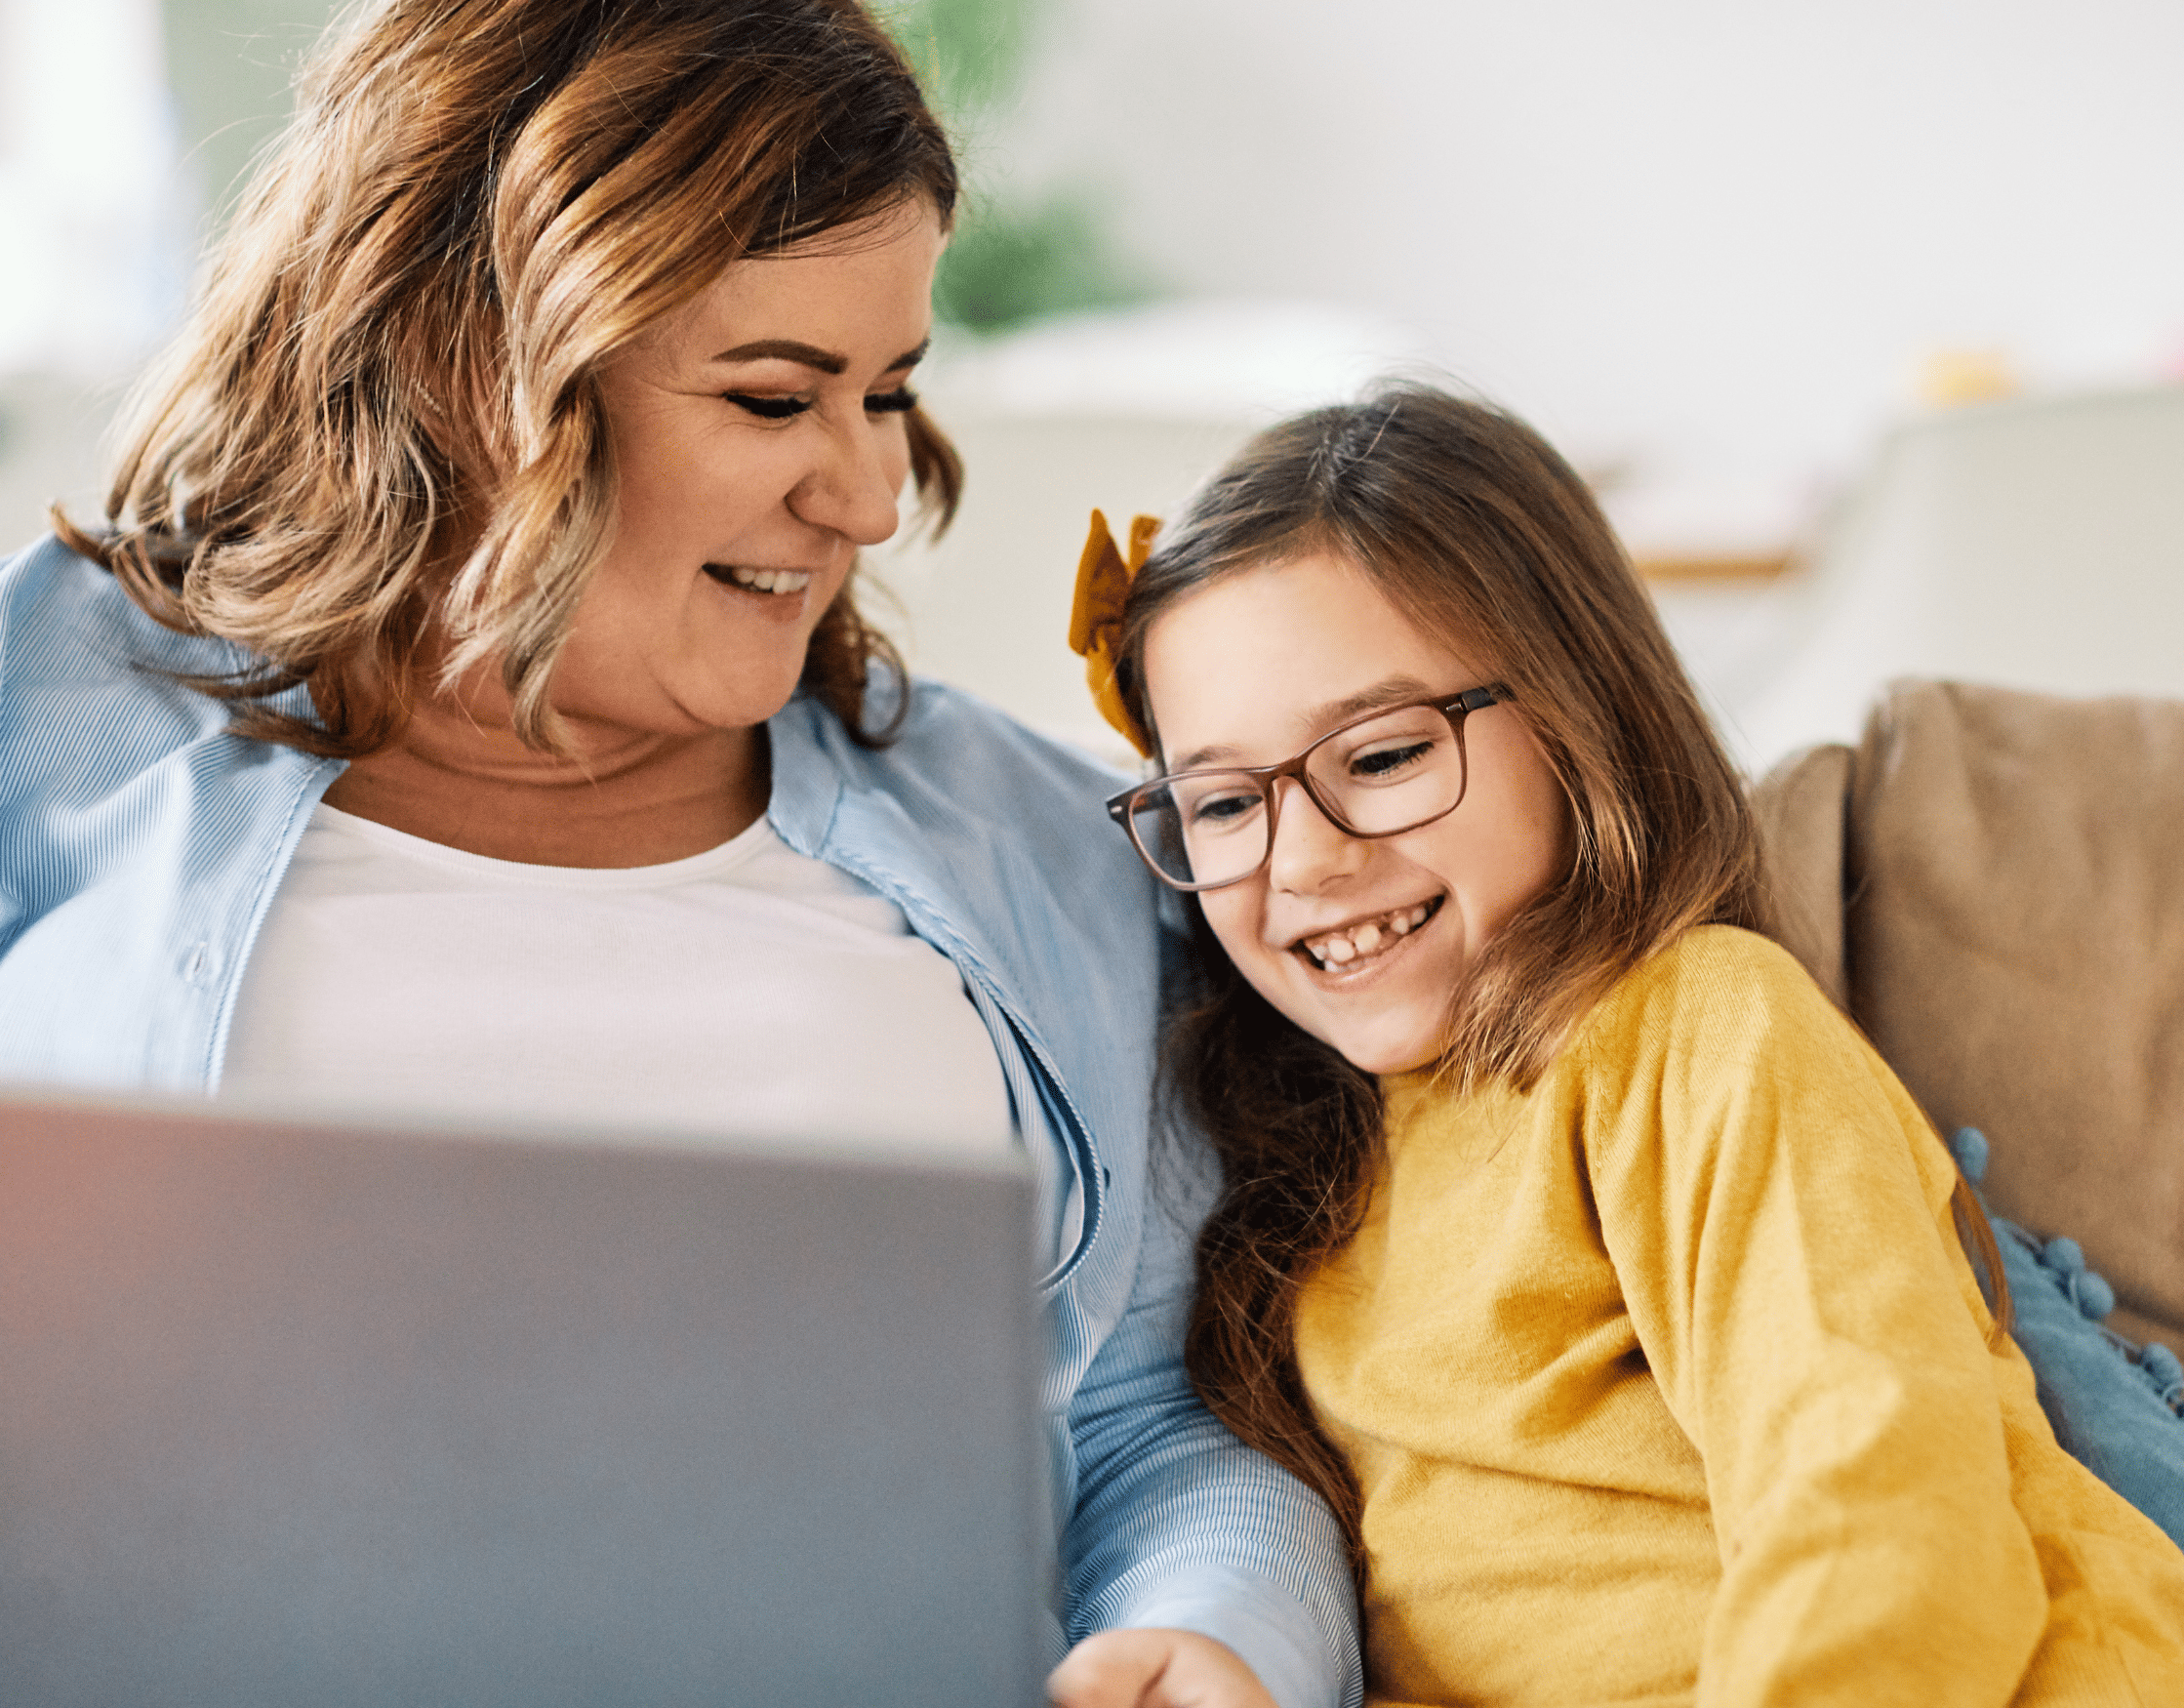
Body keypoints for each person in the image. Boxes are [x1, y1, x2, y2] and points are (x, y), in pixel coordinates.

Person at [0, 3, 1355, 1703]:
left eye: (888, 391)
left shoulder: (1055, 847)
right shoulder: (55, 719)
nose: (866, 493)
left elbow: (1169, 1418)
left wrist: (1219, 1637)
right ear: (462, 364)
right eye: (776, 395)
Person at [1075, 384, 2184, 1707]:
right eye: (1226, 801)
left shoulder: (1693, 1025)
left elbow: (1876, 1508)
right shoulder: (1308, 1167)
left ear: (1576, 718)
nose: (1304, 858)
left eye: (1384, 753)